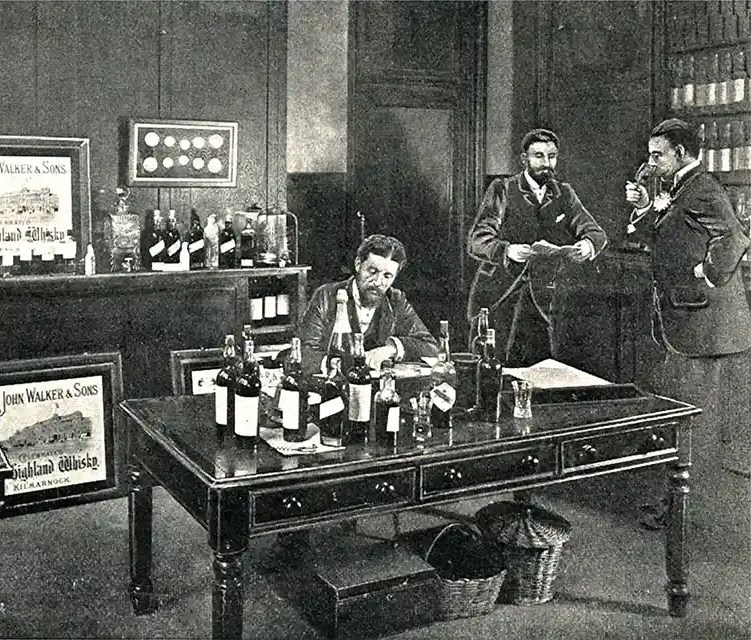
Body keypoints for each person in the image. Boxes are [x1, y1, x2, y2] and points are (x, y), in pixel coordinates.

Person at [625, 118, 751, 529]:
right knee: (682, 414)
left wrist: (705, 273)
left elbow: (735, 238)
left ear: (680, 153)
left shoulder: (703, 189)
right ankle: (675, 504)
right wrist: (645, 206)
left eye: (657, 155)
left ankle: (677, 508)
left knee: (685, 417)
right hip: (685, 321)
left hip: (702, 324)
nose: (650, 162)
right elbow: (659, 238)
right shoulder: (678, 188)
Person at [467, 128, 608, 367]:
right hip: (501, 293)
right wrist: (508, 250)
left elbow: (596, 233)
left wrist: (586, 246)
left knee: (540, 369)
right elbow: (477, 240)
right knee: (493, 366)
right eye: (539, 156)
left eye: (551, 156)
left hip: (544, 299)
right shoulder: (503, 188)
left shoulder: (564, 192)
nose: (547, 163)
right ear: (524, 159)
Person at [298, 234, 437, 373]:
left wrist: (391, 349)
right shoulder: (326, 296)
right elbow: (303, 351)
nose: (378, 282)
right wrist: (341, 365)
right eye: (372, 271)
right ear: (358, 264)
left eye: (387, 276)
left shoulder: (395, 300)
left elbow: (431, 347)